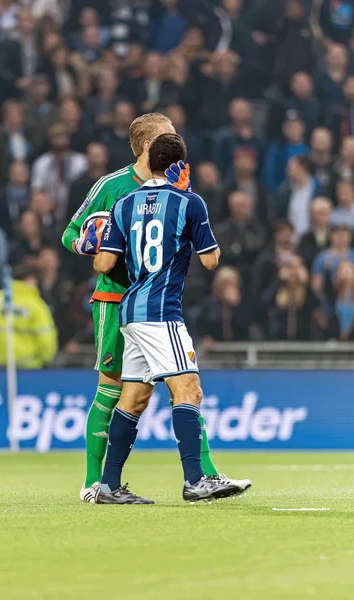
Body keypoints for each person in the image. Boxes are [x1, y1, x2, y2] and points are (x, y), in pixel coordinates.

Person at [62, 113, 243, 503]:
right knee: (133, 388)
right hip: (118, 299)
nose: (177, 144)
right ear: (151, 145)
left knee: (143, 393)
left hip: (143, 303)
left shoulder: (155, 195)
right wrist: (87, 243)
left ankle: (200, 472)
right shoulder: (114, 187)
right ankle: (96, 481)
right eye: (171, 138)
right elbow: (70, 233)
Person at [0, 263, 57, 368]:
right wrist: (47, 359)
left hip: (3, 366)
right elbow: (46, 337)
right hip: (31, 368)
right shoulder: (37, 305)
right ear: (30, 280)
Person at [297, 196, 332, 270]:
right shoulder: (305, 238)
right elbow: (302, 258)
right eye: (318, 213)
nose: (322, 217)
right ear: (312, 215)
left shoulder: (337, 235)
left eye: (324, 213)